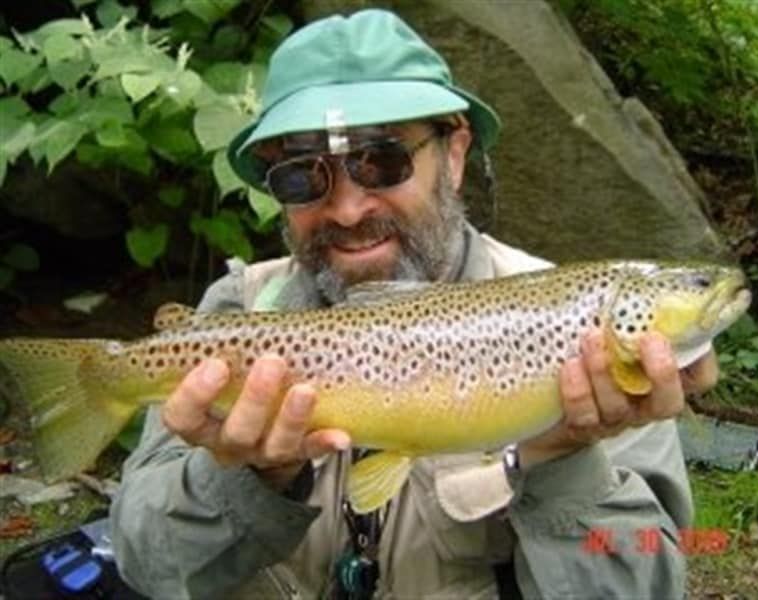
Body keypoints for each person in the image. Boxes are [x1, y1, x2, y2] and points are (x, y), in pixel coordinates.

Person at [110, 9, 718, 599]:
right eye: (302, 176)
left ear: (453, 153)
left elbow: (646, 583)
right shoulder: (239, 313)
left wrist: (563, 459)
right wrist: (250, 474)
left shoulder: (579, 328)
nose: (348, 210)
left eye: (382, 161)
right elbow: (145, 562)